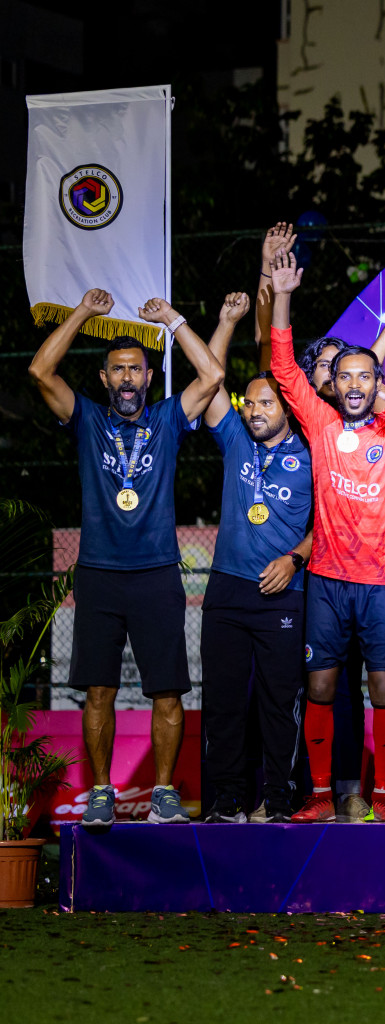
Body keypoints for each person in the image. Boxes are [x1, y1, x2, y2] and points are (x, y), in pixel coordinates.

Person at [28, 289, 226, 830]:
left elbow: (210, 378)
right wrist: (84, 314)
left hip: (158, 573)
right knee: (99, 691)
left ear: (148, 375)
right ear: (105, 379)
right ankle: (99, 793)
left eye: (136, 369)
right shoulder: (88, 420)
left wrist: (174, 320)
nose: (127, 379)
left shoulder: (166, 420)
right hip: (98, 574)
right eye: (117, 370)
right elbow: (41, 370)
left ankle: (163, 791)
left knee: (166, 689)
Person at [267, 253, 385, 824]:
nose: (357, 384)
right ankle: (319, 795)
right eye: (347, 377)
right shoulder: (319, 422)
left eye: (366, 376)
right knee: (319, 686)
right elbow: (285, 369)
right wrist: (283, 294)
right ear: (334, 385)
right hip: (329, 583)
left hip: (382, 583)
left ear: (374, 384)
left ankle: (383, 797)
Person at [200, 292, 314, 823]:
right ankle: (226, 799)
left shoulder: (311, 455)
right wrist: (224, 323)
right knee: (223, 701)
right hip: (226, 588)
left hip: (282, 592)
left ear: (286, 408)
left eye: (266, 402)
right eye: (249, 403)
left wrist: (295, 558)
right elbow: (208, 379)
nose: (254, 411)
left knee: (277, 702)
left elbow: (327, 527)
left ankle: (279, 796)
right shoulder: (236, 440)